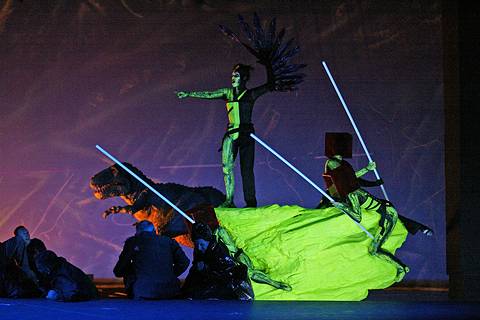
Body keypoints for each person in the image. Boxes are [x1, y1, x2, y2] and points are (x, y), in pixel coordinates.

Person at [177, 63, 273, 208]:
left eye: (236, 76)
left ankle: (251, 202)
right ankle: (229, 200)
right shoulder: (228, 93)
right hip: (231, 134)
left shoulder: (250, 94)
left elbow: (269, 85)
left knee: (246, 169)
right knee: (226, 167)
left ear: (244, 78)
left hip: (246, 135)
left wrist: (269, 66)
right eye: (232, 75)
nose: (233, 78)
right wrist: (190, 94)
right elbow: (210, 94)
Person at [320, 132, 409, 280]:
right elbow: (351, 176)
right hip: (385, 214)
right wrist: (367, 169)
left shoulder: (352, 194)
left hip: (389, 216)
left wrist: (341, 206)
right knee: (375, 250)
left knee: (375, 250)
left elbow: (357, 216)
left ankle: (402, 268)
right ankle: (402, 268)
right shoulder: (350, 187)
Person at [113, 220, 189, 300]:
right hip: (169, 290)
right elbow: (184, 262)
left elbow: (119, 270)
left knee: (129, 269)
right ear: (154, 230)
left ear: (137, 232)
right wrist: (170, 274)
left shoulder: (132, 242)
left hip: (141, 291)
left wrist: (132, 271)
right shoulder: (169, 241)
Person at [182, 223, 254, 300]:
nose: (199, 247)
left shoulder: (220, 252)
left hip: (227, 289)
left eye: (201, 244)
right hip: (211, 282)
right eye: (196, 245)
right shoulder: (199, 251)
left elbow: (226, 277)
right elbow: (194, 271)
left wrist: (205, 269)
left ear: (208, 242)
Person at [0, 226, 42, 298]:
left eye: (27, 233)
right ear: (17, 235)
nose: (26, 234)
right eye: (23, 233)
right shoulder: (15, 242)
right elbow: (24, 266)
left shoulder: (35, 243)